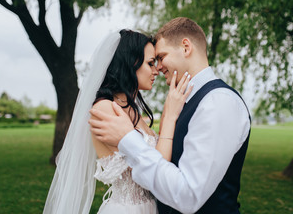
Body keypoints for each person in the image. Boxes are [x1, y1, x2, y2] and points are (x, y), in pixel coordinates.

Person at [89, 17, 251, 214]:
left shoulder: (218, 102)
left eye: (161, 57)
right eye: (152, 61)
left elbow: (188, 195)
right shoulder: (191, 101)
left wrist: (128, 138)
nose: (158, 67)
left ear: (185, 47)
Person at [43, 29, 192, 214]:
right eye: (150, 63)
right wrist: (169, 116)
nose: (157, 71)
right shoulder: (104, 109)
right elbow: (156, 170)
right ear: (130, 63)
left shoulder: (131, 108)